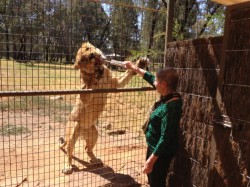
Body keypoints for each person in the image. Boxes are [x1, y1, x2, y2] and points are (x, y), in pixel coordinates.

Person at [125, 61, 183, 187]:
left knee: (157, 181)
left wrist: (150, 161)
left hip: (161, 151)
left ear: (163, 84)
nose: (154, 83)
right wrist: (134, 67)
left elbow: (165, 138)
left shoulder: (170, 108)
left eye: (156, 82)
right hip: (154, 147)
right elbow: (150, 77)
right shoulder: (169, 94)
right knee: (152, 178)